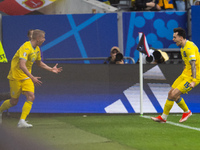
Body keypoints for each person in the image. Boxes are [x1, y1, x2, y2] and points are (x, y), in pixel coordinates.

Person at [0, 29, 62, 128]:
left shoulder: (37, 49)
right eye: (43, 37)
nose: (44, 40)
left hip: (26, 77)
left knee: (31, 96)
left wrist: (51, 69)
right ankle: (0, 110)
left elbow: (39, 63)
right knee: (13, 101)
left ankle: (21, 121)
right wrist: (32, 77)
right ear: (37, 38)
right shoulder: (26, 47)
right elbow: (22, 65)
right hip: (15, 77)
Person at [151, 27, 200, 123]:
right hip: (185, 74)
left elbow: (193, 65)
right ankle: (164, 118)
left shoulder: (189, 48)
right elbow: (187, 63)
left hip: (193, 76)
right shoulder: (183, 47)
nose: (173, 39)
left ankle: (187, 111)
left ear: (181, 37)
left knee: (174, 94)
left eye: (175, 37)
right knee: (171, 94)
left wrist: (194, 81)